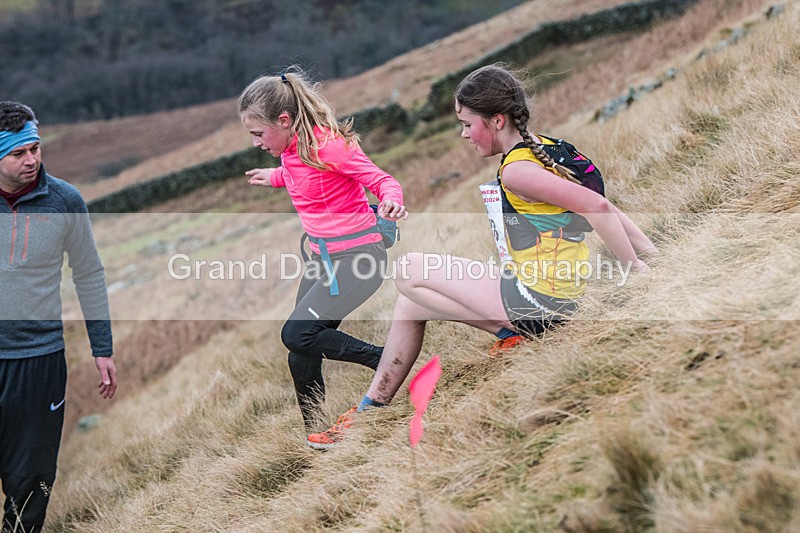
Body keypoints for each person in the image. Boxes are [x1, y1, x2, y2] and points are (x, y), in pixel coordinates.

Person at [306, 64, 657, 449]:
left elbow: (598, 208)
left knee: (408, 269)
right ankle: (370, 409)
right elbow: (604, 204)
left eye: (467, 123)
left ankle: (512, 334)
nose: (464, 134)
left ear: (497, 120)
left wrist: (637, 269)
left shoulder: (517, 171)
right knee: (409, 302)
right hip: (550, 292)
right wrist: (651, 254)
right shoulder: (549, 148)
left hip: (542, 304)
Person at [238, 68, 408, 437]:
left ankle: (387, 361)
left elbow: (382, 180)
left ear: (283, 121)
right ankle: (316, 432)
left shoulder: (328, 145)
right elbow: (301, 173)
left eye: (257, 134)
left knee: (296, 334)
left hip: (359, 260)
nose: (255, 143)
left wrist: (391, 202)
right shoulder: (291, 149)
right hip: (323, 261)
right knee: (300, 351)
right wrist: (274, 177)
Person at [0, 102, 117, 532]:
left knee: (29, 480)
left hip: (39, 360)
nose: (31, 159)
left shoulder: (65, 200)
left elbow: (88, 273)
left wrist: (102, 348)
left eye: (35, 148)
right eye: (18, 153)